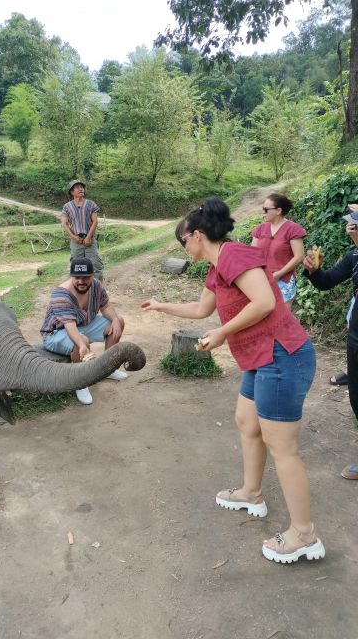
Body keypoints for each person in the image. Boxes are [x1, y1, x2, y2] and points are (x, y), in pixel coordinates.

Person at [141, 197, 325, 563]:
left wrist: (222, 333)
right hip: (260, 358)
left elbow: (264, 303)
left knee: (282, 446)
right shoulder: (216, 266)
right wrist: (162, 306)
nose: (184, 248)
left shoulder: (235, 255)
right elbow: (200, 309)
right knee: (246, 421)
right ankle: (251, 493)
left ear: (196, 236)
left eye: (182, 241)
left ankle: (304, 535)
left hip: (281, 355)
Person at [303, 207, 358, 480]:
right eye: (352, 223)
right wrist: (314, 271)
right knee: (357, 397)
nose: (352, 227)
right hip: (357, 335)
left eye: (356, 222)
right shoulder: (353, 256)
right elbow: (327, 282)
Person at [40, 257, 127, 405]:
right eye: (77, 277)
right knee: (82, 341)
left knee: (119, 322)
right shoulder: (61, 294)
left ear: (92, 275)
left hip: (83, 325)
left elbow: (105, 307)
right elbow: (69, 325)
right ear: (71, 276)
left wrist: (115, 321)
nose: (81, 281)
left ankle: (108, 369)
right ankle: (80, 382)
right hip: (56, 333)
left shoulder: (96, 286)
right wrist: (81, 344)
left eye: (85, 277)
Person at [251, 193, 306, 308]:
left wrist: (279, 274)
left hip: (283, 281)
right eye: (263, 209)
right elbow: (252, 254)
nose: (263, 212)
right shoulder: (260, 228)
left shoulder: (293, 229)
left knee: (282, 320)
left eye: (266, 209)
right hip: (261, 280)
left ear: (278, 211)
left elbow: (299, 256)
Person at [62, 180, 104, 281]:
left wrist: (89, 237)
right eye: (77, 187)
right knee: (77, 266)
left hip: (90, 239)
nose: (81, 189)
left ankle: (98, 290)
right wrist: (73, 237)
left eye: (82, 187)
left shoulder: (91, 204)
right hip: (76, 240)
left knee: (95, 264)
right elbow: (64, 223)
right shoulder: (67, 207)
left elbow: (95, 221)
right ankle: (78, 290)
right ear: (72, 192)